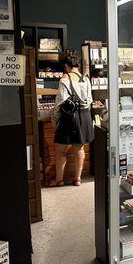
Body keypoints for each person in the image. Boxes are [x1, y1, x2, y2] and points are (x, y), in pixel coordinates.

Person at [51, 49, 93, 186]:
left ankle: (59, 180)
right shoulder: (86, 79)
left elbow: (59, 103)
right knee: (79, 149)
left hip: (70, 117)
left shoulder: (65, 78)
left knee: (59, 150)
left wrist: (54, 120)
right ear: (78, 65)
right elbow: (90, 100)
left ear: (66, 66)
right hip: (85, 115)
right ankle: (78, 179)